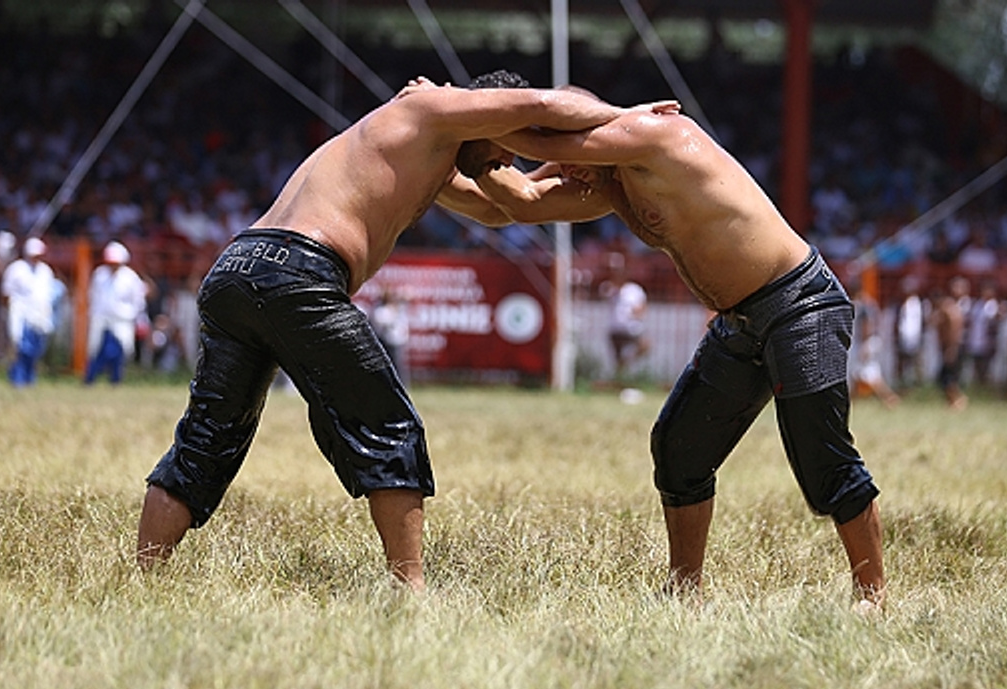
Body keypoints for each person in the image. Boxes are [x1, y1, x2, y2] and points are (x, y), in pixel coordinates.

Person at [136, 70, 637, 591]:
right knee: (389, 425)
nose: (506, 164)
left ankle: (143, 580)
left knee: (206, 437)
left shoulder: (427, 147)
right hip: (298, 272)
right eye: (507, 150)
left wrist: (589, 178)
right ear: (490, 112)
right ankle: (410, 589)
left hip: (237, 269)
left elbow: (504, 207)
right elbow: (543, 103)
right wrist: (634, 124)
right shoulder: (432, 110)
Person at [464, 90, 886, 610]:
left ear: (583, 136)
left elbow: (533, 130)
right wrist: (460, 166)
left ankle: (873, 595)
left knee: (821, 457)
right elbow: (519, 204)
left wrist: (461, 117)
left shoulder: (652, 135)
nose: (565, 173)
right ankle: (685, 592)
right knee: (679, 448)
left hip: (801, 303)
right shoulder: (611, 180)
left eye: (566, 156)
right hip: (741, 321)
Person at [85, 240, 149, 385]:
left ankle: (115, 379)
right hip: (101, 318)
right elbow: (93, 295)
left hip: (122, 320)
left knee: (118, 350)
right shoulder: (100, 275)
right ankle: (90, 379)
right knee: (96, 349)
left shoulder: (130, 278)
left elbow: (138, 301)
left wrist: (139, 319)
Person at [0, 236, 57, 387]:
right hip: (21, 313)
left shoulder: (45, 271)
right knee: (21, 346)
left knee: (36, 348)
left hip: (39, 314)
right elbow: (6, 293)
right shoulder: (16, 269)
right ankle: (17, 379)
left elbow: (47, 295)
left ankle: (30, 378)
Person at [604, 255, 650, 383]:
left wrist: (636, 312)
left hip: (631, 328)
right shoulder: (609, 288)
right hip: (616, 328)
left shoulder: (634, 290)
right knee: (616, 358)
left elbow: (642, 308)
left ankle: (626, 365)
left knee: (644, 346)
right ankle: (619, 380)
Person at [933, 276, 969, 410]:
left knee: (947, 377)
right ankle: (953, 402)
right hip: (949, 346)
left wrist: (951, 348)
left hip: (953, 347)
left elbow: (955, 329)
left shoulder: (951, 308)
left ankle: (958, 400)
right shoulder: (952, 306)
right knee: (946, 376)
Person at [965, 281, 1003, 388]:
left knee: (987, 369)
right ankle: (978, 390)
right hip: (975, 341)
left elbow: (997, 322)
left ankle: (987, 391)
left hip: (988, 344)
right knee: (976, 369)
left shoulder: (995, 306)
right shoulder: (978, 304)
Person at [371, 288, 411, 387]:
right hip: (386, 340)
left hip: (397, 341)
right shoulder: (382, 309)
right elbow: (381, 320)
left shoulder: (398, 307)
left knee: (398, 366)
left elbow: (408, 296)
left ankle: (402, 385)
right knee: (388, 366)